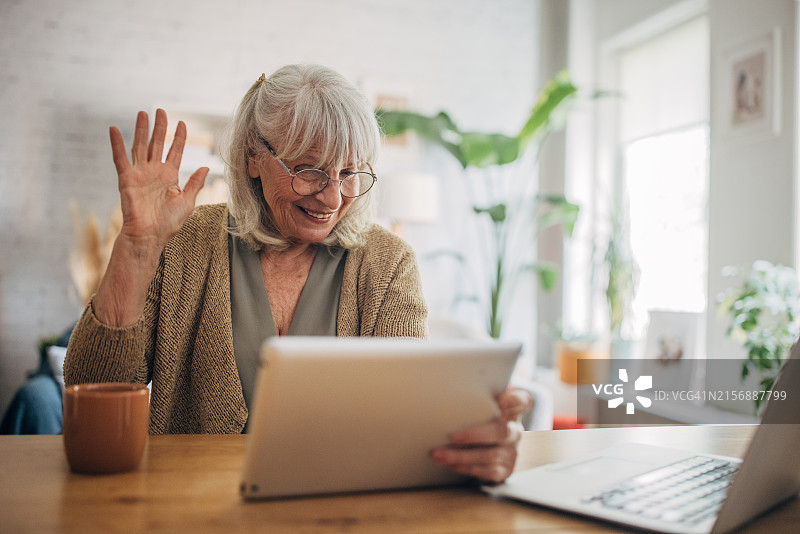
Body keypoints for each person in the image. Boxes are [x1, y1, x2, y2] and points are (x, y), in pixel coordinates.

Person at [64, 64, 532, 483]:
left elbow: (407, 416)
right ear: (252, 155)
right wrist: (138, 249)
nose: (332, 198)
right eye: (308, 170)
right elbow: (88, 383)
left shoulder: (387, 263)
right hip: (190, 507)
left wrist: (479, 442)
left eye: (350, 172)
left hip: (336, 508)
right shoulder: (186, 240)